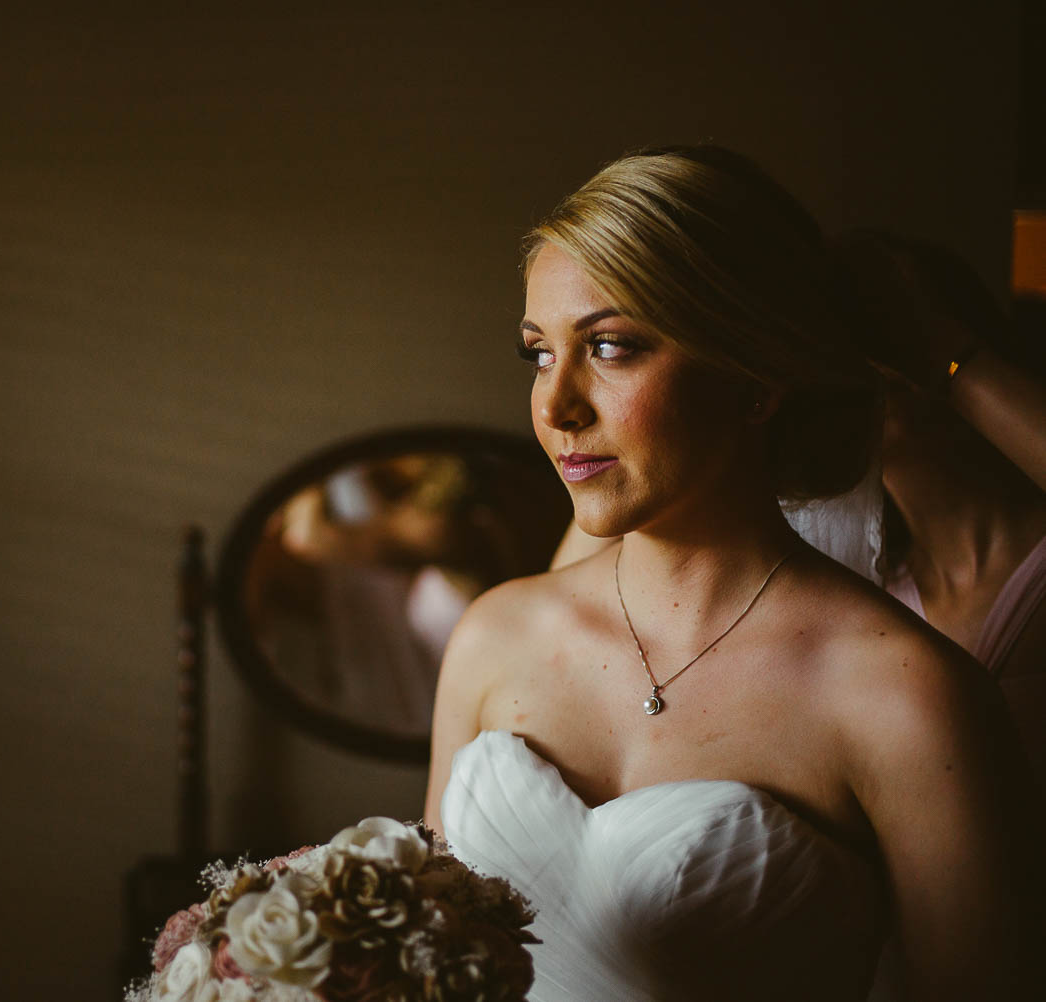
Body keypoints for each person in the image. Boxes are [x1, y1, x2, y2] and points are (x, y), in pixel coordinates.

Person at [422, 146, 1041, 1001]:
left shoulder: (905, 696)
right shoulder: (495, 635)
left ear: (755, 375)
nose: (555, 406)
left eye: (609, 347)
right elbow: (419, 959)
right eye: (538, 352)